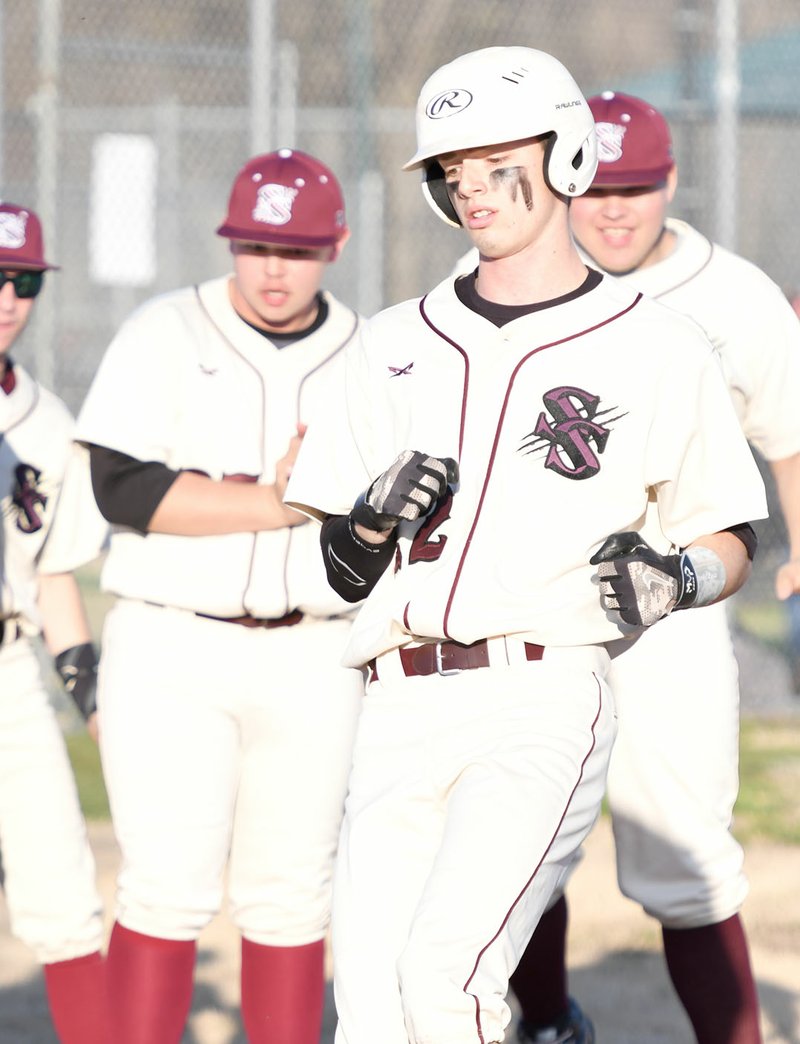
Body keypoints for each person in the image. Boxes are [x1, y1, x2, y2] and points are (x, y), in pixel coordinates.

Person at [284, 47, 768, 1044]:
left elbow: (729, 533)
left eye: (496, 159)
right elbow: (337, 566)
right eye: (451, 170)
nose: (470, 187)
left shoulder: (653, 341)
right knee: (370, 1014)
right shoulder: (387, 342)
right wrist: (368, 522)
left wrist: (676, 577)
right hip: (392, 700)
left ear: (567, 156)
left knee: (444, 978)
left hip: (537, 698)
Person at [490, 90, 800, 1044]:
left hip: (678, 602)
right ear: (565, 184)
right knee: (521, 842)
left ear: (670, 182)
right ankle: (547, 1024)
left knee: (687, 856)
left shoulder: (733, 293)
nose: (614, 209)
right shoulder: (509, 278)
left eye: (637, 187)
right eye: (597, 187)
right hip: (540, 603)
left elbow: (787, 433)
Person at [74, 149, 365, 1044]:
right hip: (174, 649)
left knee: (290, 896)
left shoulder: (374, 352)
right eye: (256, 244)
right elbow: (121, 489)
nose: (274, 268)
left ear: (337, 245)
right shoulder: (165, 331)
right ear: (229, 241)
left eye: (298, 248)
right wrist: (277, 502)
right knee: (165, 888)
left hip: (315, 651)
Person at [0, 201, 109, 1043]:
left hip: (9, 676)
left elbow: (53, 580)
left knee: (65, 899)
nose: (7, 297)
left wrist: (98, 708)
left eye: (23, 280)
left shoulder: (47, 425)